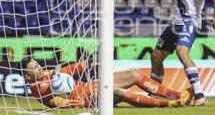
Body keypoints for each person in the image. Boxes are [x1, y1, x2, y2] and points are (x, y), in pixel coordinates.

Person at [20, 57, 191, 108]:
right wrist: (75, 103)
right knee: (119, 92)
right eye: (34, 68)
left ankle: (176, 94)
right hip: (91, 98)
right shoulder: (39, 89)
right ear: (28, 77)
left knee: (134, 74)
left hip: (93, 86)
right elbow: (55, 103)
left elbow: (70, 69)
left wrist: (87, 63)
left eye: (38, 65)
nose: (40, 68)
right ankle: (169, 103)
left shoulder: (49, 74)